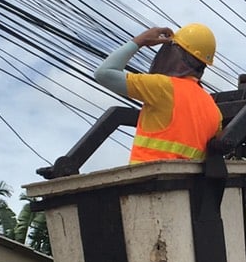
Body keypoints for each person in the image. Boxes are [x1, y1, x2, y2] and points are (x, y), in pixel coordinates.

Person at [93, 22, 222, 164]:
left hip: (145, 182)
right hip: (185, 185)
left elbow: (103, 73)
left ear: (176, 53)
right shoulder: (214, 111)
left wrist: (141, 40)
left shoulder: (163, 87)